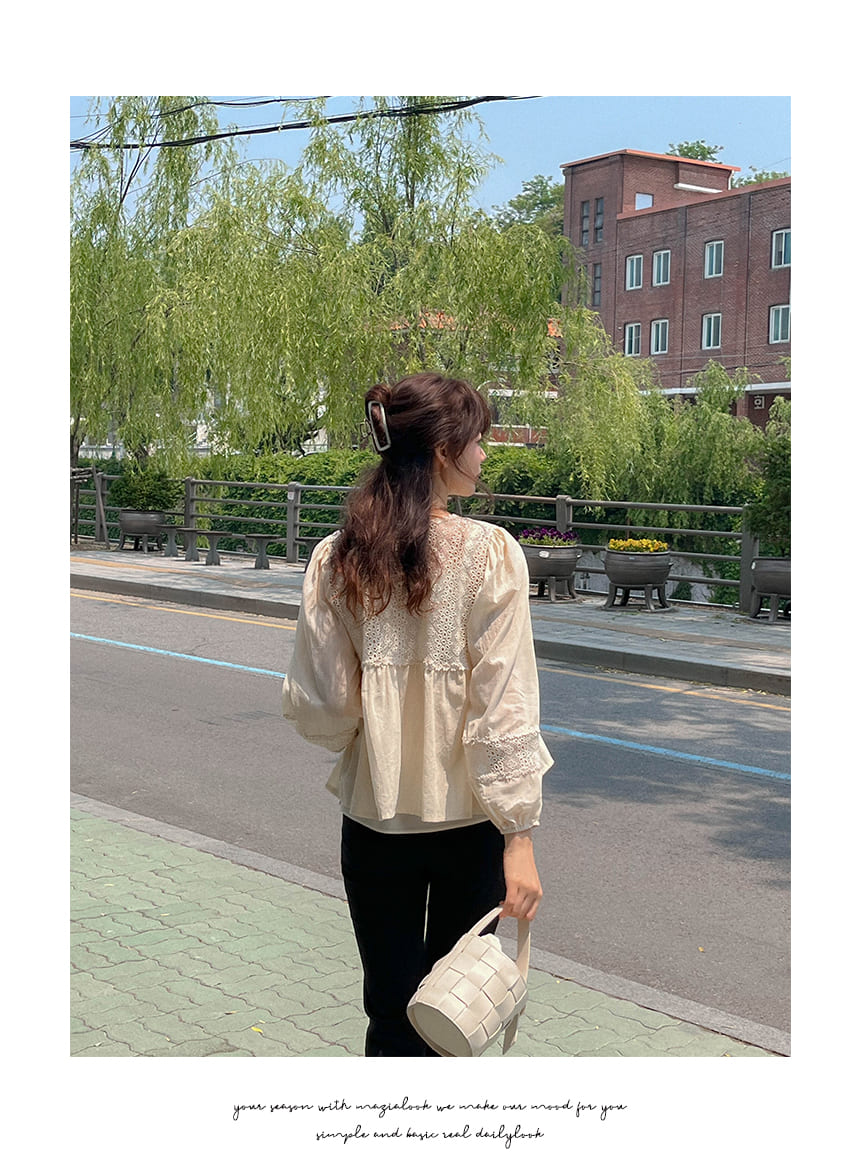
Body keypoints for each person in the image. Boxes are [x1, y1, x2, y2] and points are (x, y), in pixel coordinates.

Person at [282, 373, 553, 1056]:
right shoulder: (492, 554)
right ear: (441, 450)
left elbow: (324, 704)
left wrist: (376, 734)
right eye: (478, 440)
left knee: (390, 1010)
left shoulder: (337, 557)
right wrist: (519, 837)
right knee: (453, 1018)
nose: (484, 455)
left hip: (374, 821)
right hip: (472, 827)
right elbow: (505, 705)